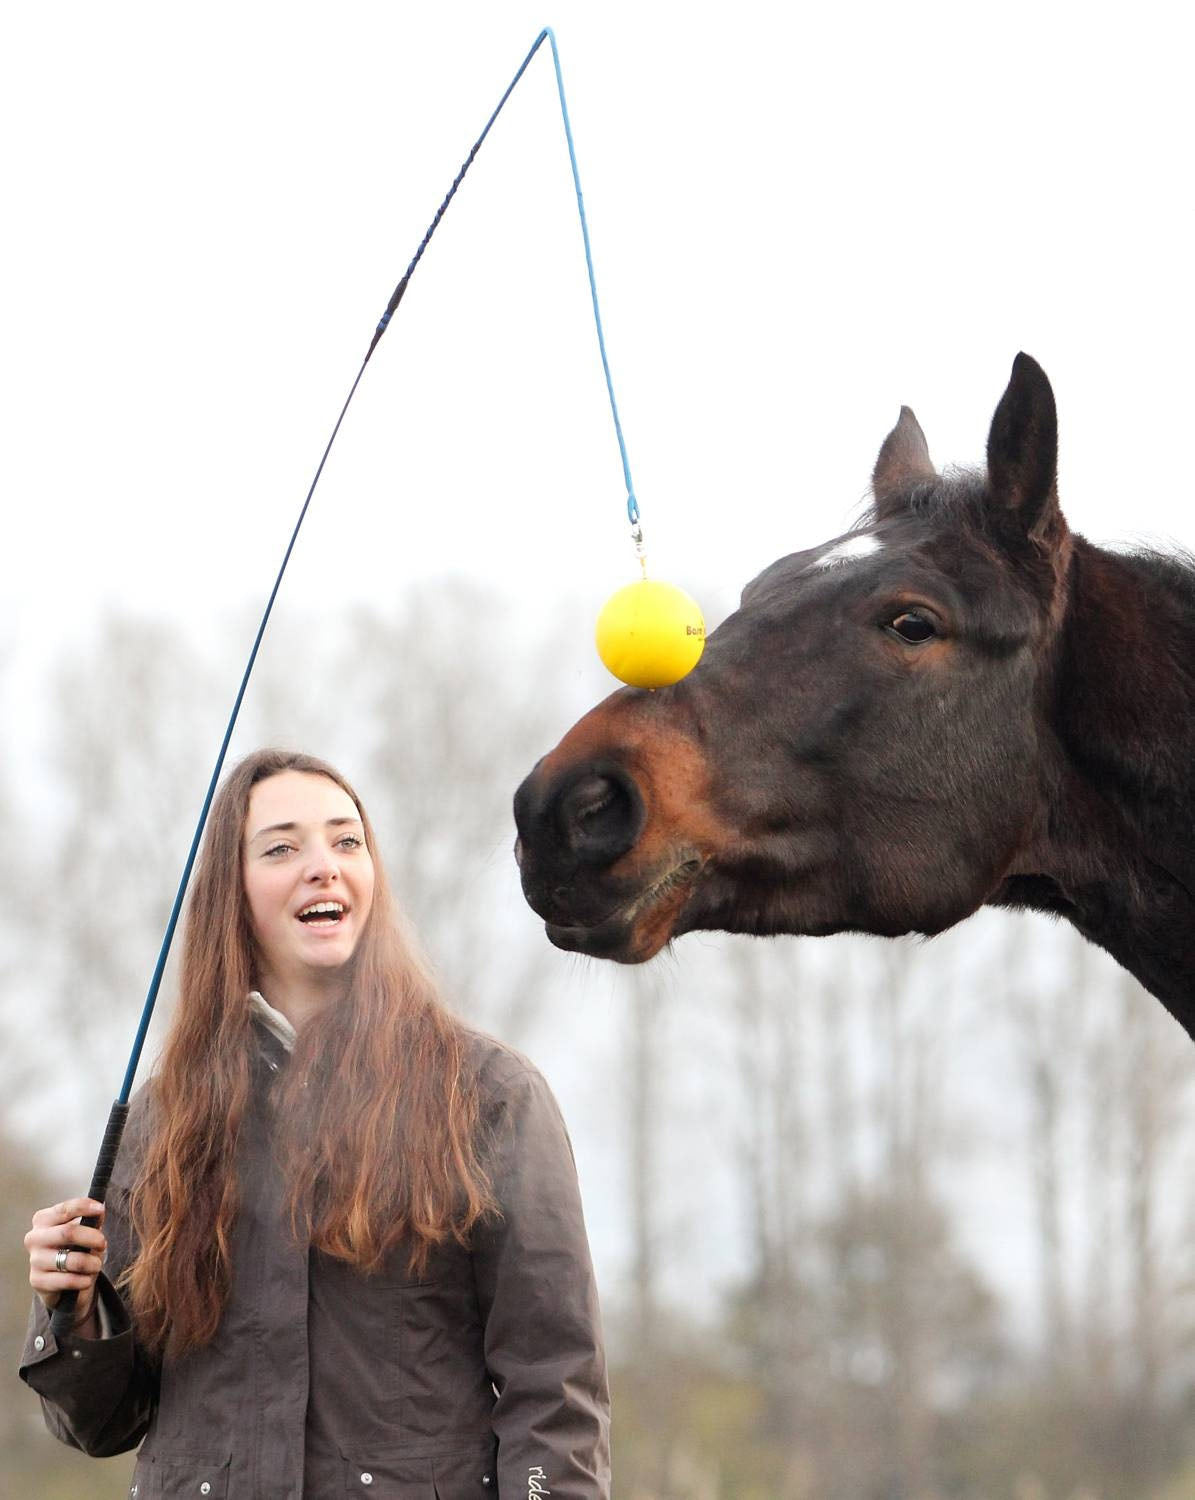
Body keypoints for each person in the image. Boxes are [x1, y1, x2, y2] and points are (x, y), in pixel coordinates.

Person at [20, 748, 610, 1497]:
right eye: (281, 848)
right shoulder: (163, 1117)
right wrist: (72, 1311)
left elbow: (554, 1386)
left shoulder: (490, 1095)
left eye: (346, 840)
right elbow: (102, 1424)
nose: (324, 866)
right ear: (230, 896)